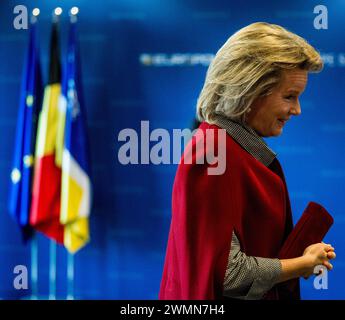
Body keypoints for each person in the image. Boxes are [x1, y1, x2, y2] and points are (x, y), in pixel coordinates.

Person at [159, 22, 336, 300]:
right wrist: (302, 264)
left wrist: (294, 261)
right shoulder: (213, 154)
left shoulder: (230, 150)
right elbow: (228, 275)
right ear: (248, 90)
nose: (297, 110)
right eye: (289, 96)